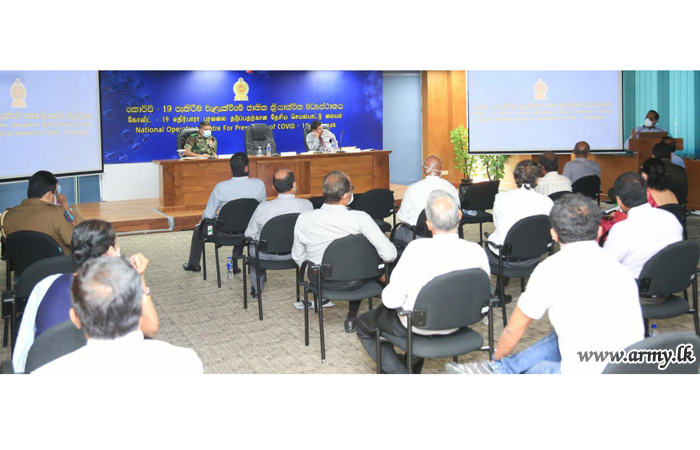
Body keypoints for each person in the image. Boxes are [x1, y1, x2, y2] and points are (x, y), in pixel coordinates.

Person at [446, 194, 644, 374]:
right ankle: (501, 369)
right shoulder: (620, 270)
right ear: (600, 231)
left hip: (586, 374)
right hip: (629, 369)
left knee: (539, 370)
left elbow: (514, 329)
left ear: (554, 234)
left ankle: (497, 370)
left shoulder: (551, 269)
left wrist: (496, 357)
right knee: (557, 337)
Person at [356, 190, 490, 374]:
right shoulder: (477, 252)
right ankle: (410, 365)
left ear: (428, 224)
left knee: (364, 324)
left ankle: (402, 374)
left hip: (418, 326)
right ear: (459, 216)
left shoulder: (416, 250)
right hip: (460, 320)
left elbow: (391, 301)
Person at [12, 219, 159, 373]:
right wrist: (140, 277)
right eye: (117, 245)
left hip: (43, 370)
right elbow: (151, 328)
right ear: (110, 252)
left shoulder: (45, 285)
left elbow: (25, 340)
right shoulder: (116, 291)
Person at [33, 257, 202, 374]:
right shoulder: (186, 361)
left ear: (75, 318)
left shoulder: (45, 374)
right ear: (138, 311)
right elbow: (151, 327)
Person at [292, 171, 397, 332]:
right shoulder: (360, 219)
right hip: (355, 279)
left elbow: (298, 257)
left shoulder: (304, 218)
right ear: (347, 196)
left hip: (318, 279)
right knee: (371, 261)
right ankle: (358, 314)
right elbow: (389, 255)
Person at [183, 152, 267, 273]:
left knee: (198, 229)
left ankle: (194, 264)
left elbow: (208, 215)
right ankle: (235, 259)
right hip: (250, 232)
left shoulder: (221, 187)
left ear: (231, 168)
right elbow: (262, 210)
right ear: (246, 168)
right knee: (244, 220)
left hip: (223, 233)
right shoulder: (259, 185)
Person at [488, 159, 553, 301]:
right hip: (533, 257)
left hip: (503, 259)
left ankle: (499, 289)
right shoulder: (547, 202)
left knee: (491, 242)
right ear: (537, 180)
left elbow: (497, 224)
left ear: (515, 178)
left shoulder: (501, 198)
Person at [244, 169, 313, 298]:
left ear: (273, 187)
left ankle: (256, 289)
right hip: (295, 254)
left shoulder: (263, 208)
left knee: (252, 245)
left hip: (265, 256)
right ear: (294, 185)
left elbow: (249, 234)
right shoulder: (307, 206)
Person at [604, 172, 682, 278]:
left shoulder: (621, 229)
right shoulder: (670, 218)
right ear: (648, 194)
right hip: (672, 279)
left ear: (619, 200)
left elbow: (606, 265)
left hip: (635, 286)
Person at [599, 158, 678, 241]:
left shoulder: (645, 194)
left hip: (643, 232)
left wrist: (617, 215)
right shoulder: (671, 193)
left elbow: (627, 217)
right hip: (665, 233)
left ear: (644, 175)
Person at [0, 170, 75, 255]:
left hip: (24, 266)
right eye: (56, 193)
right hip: (58, 265)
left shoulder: (8, 215)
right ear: (49, 195)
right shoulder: (57, 213)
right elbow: (74, 241)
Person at [394, 155, 460, 246]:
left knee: (397, 233)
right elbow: (456, 212)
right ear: (440, 169)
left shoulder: (413, 189)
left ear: (423, 169)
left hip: (418, 237)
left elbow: (402, 217)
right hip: (446, 234)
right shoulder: (451, 188)